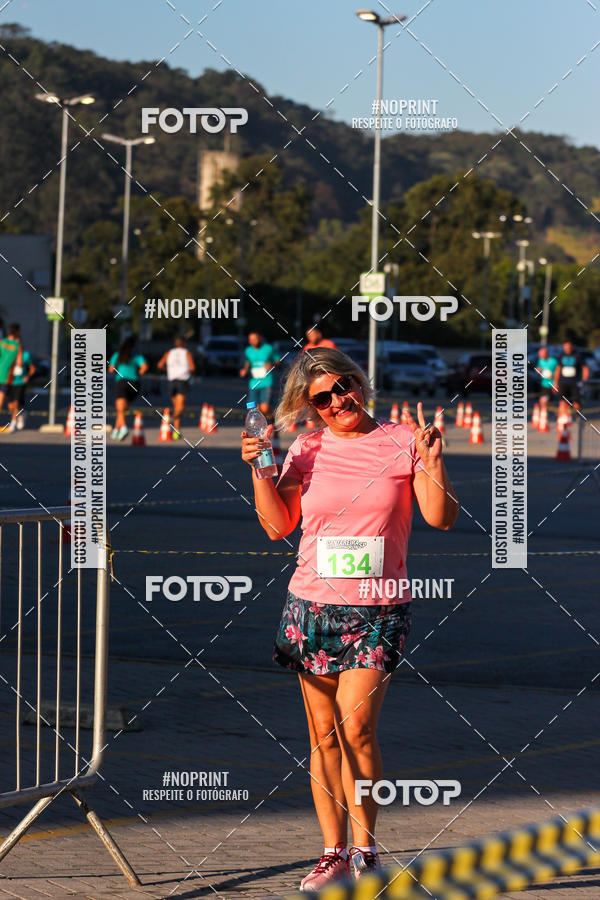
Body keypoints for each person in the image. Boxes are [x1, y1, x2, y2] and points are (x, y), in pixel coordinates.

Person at [241, 348, 458, 889]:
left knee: (357, 728)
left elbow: (441, 516)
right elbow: (277, 525)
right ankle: (331, 852)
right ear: (309, 407)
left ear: (359, 383)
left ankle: (365, 851)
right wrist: (259, 466)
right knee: (322, 734)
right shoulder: (308, 446)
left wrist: (432, 462)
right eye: (324, 397)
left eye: (345, 386)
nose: (339, 401)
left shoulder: (402, 438)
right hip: (311, 605)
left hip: (379, 608)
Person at [108, 336, 148, 440]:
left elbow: (111, 370)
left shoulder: (118, 354)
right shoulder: (137, 355)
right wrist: (138, 373)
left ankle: (124, 428)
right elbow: (144, 367)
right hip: (135, 383)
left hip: (121, 382)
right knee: (122, 409)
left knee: (120, 409)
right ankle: (116, 431)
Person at [157, 336, 195, 438]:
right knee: (181, 407)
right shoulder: (186, 353)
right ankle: (172, 418)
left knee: (176, 406)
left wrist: (170, 370)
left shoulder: (168, 353)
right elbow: (192, 367)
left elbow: (160, 365)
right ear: (184, 344)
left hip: (172, 381)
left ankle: (176, 430)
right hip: (182, 381)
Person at [240, 332, 279, 417]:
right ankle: (260, 427)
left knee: (264, 408)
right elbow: (248, 362)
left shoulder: (269, 348)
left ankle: (275, 419)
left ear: (260, 338)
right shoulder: (248, 350)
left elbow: (279, 361)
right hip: (253, 383)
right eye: (250, 340)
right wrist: (245, 370)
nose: (253, 341)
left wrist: (272, 365)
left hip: (266, 382)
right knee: (254, 408)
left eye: (255, 339)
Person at [554, 338, 588, 414]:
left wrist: (584, 380)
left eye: (569, 347)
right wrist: (555, 382)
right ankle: (563, 420)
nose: (567, 349)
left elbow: (585, 368)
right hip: (563, 382)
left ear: (572, 347)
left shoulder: (578, 355)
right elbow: (558, 369)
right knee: (562, 402)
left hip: (575, 383)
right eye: (566, 348)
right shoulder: (561, 355)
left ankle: (578, 418)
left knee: (576, 403)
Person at [6, 345, 35, 432]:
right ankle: (21, 414)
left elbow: (32, 368)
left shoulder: (26, 355)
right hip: (10, 382)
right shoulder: (10, 355)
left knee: (16, 403)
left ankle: (13, 424)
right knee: (10, 406)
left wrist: (28, 376)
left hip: (20, 383)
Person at [0, 323, 22, 415]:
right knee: (9, 404)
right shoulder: (18, 346)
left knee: (9, 404)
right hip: (7, 376)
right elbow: (20, 363)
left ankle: (18, 417)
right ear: (17, 332)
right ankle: (19, 416)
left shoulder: (2, 342)